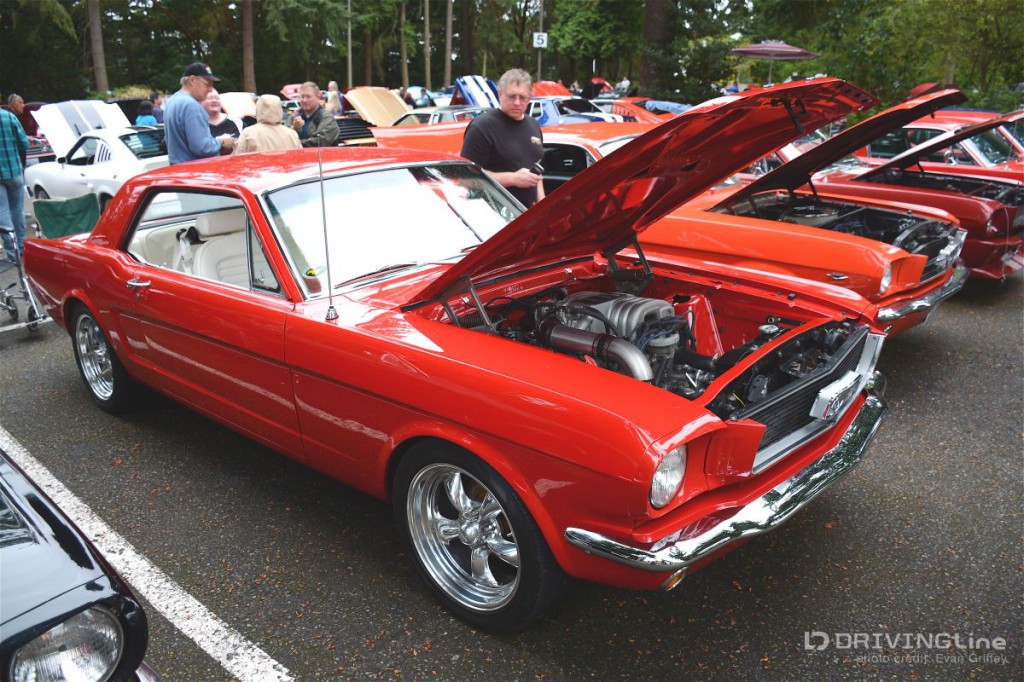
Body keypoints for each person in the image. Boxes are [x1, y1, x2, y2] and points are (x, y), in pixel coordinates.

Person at [460, 68, 544, 207]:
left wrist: (543, 207)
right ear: (500, 94)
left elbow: (536, 176)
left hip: (527, 215)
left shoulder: (533, 125)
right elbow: (466, 179)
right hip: (493, 216)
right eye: (511, 96)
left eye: (522, 97)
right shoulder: (482, 127)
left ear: (530, 97)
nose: (517, 102)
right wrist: (512, 179)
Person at [164, 62, 234, 164]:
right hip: (194, 172)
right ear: (192, 80)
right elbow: (201, 147)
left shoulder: (172, 101)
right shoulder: (191, 105)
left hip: (178, 170)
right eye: (207, 84)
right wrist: (222, 142)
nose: (210, 90)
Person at [0, 99, 29, 262]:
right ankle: (22, 247)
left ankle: (12, 253)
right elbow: (24, 143)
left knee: (2, 211)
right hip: (14, 171)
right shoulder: (9, 117)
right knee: (17, 210)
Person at [234, 94, 301, 154]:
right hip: (286, 167)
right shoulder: (292, 134)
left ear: (259, 108)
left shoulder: (248, 133)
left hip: (259, 167)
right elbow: (301, 159)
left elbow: (237, 159)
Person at [289, 81, 339, 148]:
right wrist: (293, 129)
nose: (304, 100)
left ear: (318, 97)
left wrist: (295, 145)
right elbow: (283, 138)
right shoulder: (293, 117)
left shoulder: (327, 118)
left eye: (308, 97)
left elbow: (319, 142)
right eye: (302, 96)